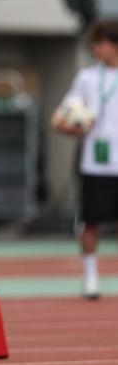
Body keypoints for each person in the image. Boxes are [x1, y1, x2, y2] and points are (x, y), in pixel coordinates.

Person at [52, 20, 118, 300]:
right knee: (91, 221)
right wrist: (69, 127)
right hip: (95, 162)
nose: (94, 49)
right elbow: (59, 117)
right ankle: (90, 277)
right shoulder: (87, 78)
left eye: (99, 43)